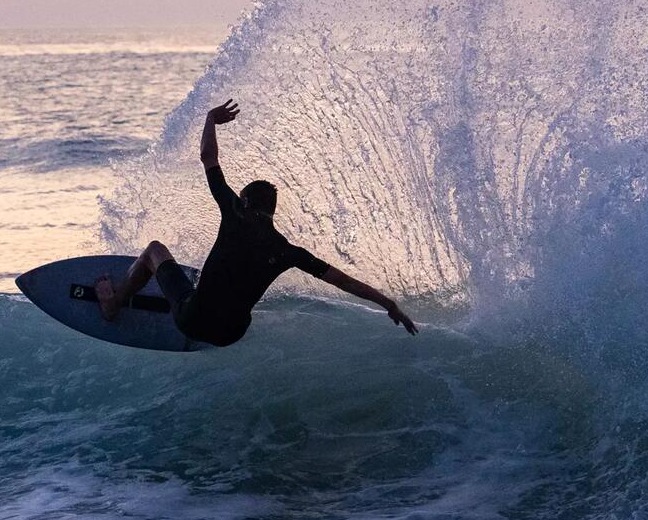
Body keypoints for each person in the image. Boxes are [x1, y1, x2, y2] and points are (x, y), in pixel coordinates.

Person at [95, 99, 418, 346]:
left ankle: (114, 303)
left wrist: (210, 119)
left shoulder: (235, 211)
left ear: (246, 201)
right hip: (232, 335)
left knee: (154, 250)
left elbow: (208, 157)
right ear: (273, 210)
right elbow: (344, 282)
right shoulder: (289, 251)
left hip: (193, 320)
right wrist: (389, 304)